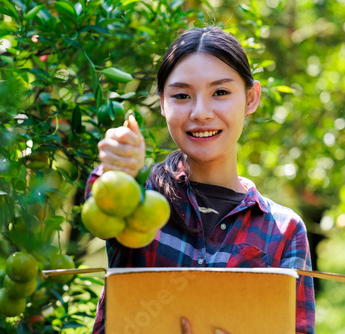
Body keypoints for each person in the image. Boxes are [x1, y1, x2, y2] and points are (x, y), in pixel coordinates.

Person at [85, 26, 315, 334]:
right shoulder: (139, 195)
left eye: (220, 92)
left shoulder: (283, 231)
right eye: (181, 95)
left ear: (251, 98)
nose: (201, 112)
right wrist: (117, 167)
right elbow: (100, 209)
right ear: (163, 104)